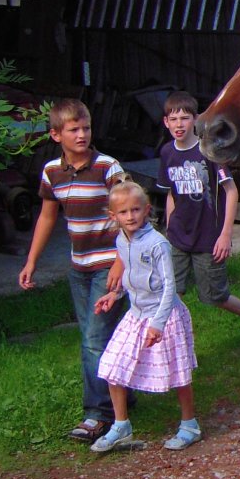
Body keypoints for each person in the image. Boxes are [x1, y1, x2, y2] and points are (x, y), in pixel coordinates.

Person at [18, 98, 129, 443]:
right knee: (97, 338)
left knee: (94, 340)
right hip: (78, 268)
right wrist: (31, 261)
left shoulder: (108, 167)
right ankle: (124, 396)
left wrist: (121, 262)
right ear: (56, 135)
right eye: (74, 129)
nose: (82, 135)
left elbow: (132, 214)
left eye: (86, 128)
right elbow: (48, 216)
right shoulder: (52, 172)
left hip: (108, 266)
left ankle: (97, 415)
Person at [155, 91, 240, 354]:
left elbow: (231, 192)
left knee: (215, 297)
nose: (179, 125)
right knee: (170, 292)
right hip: (177, 237)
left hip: (208, 238)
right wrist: (167, 227)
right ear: (166, 122)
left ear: (196, 120)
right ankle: (169, 348)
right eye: (173, 120)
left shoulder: (206, 153)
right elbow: (171, 193)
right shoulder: (166, 153)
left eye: (185, 119)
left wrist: (225, 234)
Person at [91, 182, 202, 452]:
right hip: (136, 314)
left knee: (178, 373)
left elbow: (169, 287)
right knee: (112, 366)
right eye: (124, 212)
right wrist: (115, 295)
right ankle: (121, 425)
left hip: (164, 316)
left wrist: (158, 324)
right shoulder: (121, 240)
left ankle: (190, 424)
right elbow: (131, 277)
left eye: (136, 210)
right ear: (113, 216)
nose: (130, 216)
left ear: (147, 210)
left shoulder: (158, 244)